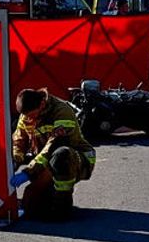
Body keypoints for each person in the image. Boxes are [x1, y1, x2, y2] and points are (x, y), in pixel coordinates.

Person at [11, 88, 97, 220]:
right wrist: (15, 159)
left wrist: (28, 172)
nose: (28, 119)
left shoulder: (61, 112)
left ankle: (62, 209)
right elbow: (19, 139)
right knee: (31, 204)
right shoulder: (27, 114)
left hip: (76, 159)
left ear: (42, 104)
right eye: (26, 116)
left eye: (32, 116)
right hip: (46, 159)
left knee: (61, 156)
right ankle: (49, 194)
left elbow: (54, 145)